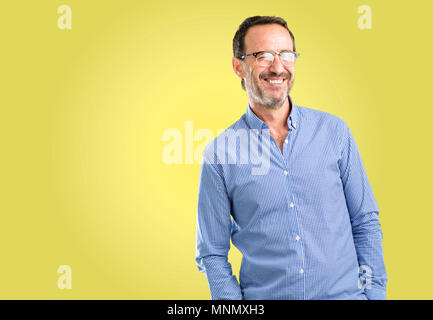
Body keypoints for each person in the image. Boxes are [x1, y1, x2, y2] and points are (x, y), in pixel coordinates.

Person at [195, 15, 387, 300]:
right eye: (263, 56)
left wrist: (374, 294)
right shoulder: (220, 155)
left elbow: (365, 221)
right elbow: (212, 253)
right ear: (239, 66)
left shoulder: (334, 132)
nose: (278, 66)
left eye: (286, 54)